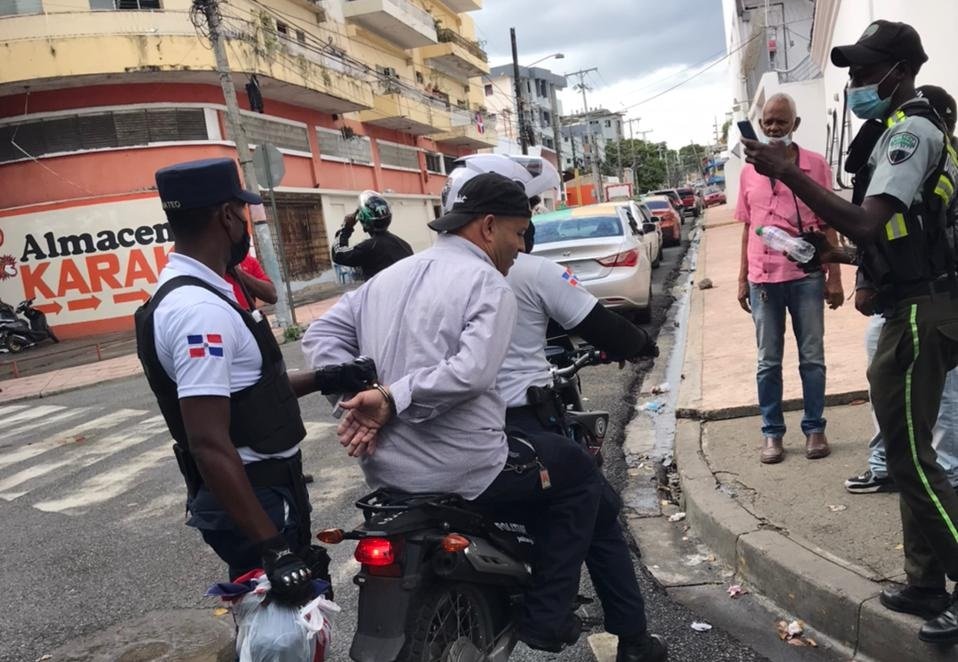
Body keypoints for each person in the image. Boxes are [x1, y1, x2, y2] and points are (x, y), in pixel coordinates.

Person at [302, 172, 663, 656]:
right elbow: (471, 373)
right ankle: (546, 619)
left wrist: (357, 396)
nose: (520, 247)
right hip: (468, 466)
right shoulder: (487, 283)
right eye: (519, 233)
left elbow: (319, 338)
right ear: (489, 227)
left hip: (387, 471)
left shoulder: (388, 277)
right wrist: (387, 397)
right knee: (578, 476)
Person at [742, 20, 958, 644]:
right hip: (914, 301)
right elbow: (895, 237)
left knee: (912, 460)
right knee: (909, 454)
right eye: (853, 71)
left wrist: (789, 173)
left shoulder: (912, 130)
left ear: (899, 71)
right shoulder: (898, 129)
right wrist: (828, 255)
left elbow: (867, 222)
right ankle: (924, 583)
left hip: (921, 312)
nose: (856, 81)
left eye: (865, 71)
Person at [441, 155, 666, 662]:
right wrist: (640, 344)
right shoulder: (531, 272)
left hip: (441, 430)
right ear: (498, 220)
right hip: (521, 427)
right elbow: (604, 328)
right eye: (530, 212)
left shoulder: (429, 274)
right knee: (597, 509)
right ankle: (623, 639)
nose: (530, 228)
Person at [134, 157, 369, 602]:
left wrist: (328, 375)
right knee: (279, 633)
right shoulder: (199, 314)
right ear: (226, 216)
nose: (245, 224)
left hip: (265, 491)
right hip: (257, 497)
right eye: (242, 213)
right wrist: (273, 548)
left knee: (287, 625)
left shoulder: (197, 292)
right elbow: (208, 441)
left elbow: (251, 394)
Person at [846, 85, 958, 495]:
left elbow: (922, 235)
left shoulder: (935, 156)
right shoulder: (896, 154)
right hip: (897, 298)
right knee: (888, 389)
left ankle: (943, 471)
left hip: (933, 301)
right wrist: (861, 274)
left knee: (944, 393)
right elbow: (885, 235)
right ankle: (890, 464)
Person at [735, 92, 845, 464]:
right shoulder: (748, 169)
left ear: (795, 125)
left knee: (812, 357)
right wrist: (740, 279)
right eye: (768, 121)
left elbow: (830, 224)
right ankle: (772, 434)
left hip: (806, 277)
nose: (773, 127)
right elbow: (748, 227)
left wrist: (835, 278)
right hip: (763, 278)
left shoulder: (815, 165)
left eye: (781, 121)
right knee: (768, 361)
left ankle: (815, 428)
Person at [331, 190, 413, 280]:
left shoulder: (369, 247)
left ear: (364, 220)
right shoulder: (404, 245)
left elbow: (338, 254)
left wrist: (346, 228)